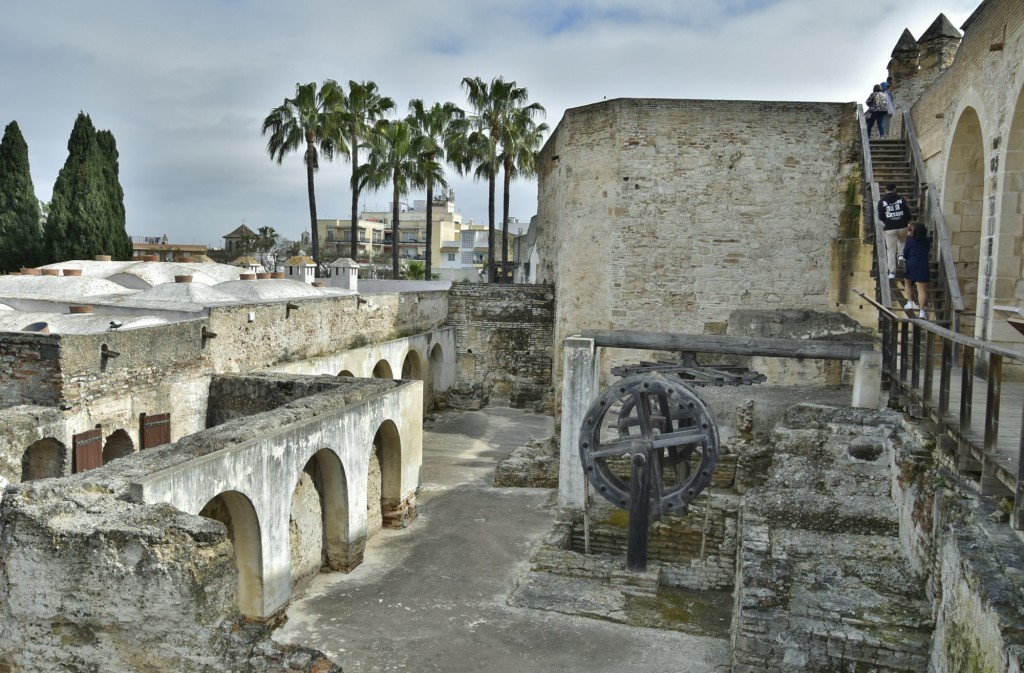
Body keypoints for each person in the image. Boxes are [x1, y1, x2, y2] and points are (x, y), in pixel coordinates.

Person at [878, 182, 911, 279]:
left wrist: (887, 220)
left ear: (885, 189)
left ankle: (892, 272)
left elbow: (881, 216)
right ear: (895, 189)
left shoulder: (882, 201)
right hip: (903, 225)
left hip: (890, 228)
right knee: (902, 241)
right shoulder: (901, 199)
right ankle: (901, 255)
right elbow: (907, 213)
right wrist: (909, 223)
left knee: (891, 250)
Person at [902, 222, 931, 319]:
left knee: (907, 283)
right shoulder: (927, 241)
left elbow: (905, 253)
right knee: (922, 290)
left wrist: (909, 235)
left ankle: (910, 302)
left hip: (911, 263)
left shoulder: (910, 240)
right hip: (923, 264)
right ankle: (922, 311)